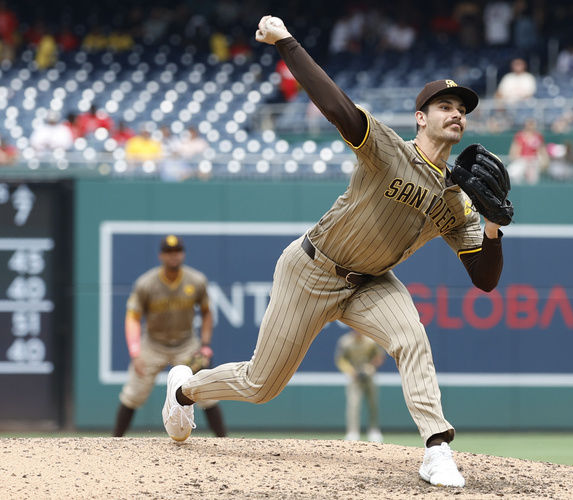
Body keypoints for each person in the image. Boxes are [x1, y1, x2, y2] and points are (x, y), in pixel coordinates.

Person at [162, 15, 507, 489]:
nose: (455, 113)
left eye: (461, 108)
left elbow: (485, 279)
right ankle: (183, 392)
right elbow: (335, 105)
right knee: (261, 385)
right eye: (443, 105)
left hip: (371, 282)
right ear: (421, 117)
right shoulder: (389, 149)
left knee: (412, 338)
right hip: (311, 270)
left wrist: (492, 226)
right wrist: (287, 43)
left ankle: (436, 449)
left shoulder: (458, 202)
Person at [113, 235, 226, 438]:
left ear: (182, 254)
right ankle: (115, 441)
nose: (173, 256)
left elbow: (207, 312)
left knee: (206, 393)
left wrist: (205, 345)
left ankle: (224, 441)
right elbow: (133, 318)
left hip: (186, 344)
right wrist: (135, 352)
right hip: (153, 344)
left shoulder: (196, 280)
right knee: (133, 394)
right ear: (161, 256)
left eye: (177, 252)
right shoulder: (146, 283)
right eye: (169, 252)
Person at [335, 329, 386, 443]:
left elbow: (379, 356)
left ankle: (374, 431)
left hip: (369, 375)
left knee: (373, 404)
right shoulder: (345, 341)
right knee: (353, 404)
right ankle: (352, 432)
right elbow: (340, 359)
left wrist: (370, 366)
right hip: (354, 377)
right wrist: (350, 371)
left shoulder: (371, 341)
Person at [507, 118, 548, 184]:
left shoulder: (538, 136)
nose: (531, 126)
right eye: (529, 124)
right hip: (522, 160)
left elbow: (542, 151)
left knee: (532, 178)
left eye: (532, 124)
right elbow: (513, 152)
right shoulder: (520, 136)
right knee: (512, 173)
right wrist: (520, 159)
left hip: (534, 161)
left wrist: (544, 161)